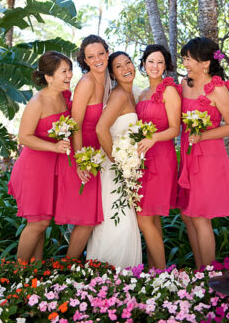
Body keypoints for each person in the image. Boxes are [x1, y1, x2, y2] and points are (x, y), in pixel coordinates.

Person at [177, 37, 229, 269]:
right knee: (187, 214)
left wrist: (203, 135)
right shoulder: (185, 84)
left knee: (200, 215)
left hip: (208, 156)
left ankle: (209, 274)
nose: (185, 63)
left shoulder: (218, 89)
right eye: (184, 58)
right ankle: (199, 270)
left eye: (189, 58)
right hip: (187, 152)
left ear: (205, 63)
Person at [9, 51, 73, 263]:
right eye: (64, 71)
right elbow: (24, 137)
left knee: (43, 222)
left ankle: (33, 274)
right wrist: (54, 147)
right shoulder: (37, 102)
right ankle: (15, 274)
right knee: (38, 223)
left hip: (51, 170)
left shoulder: (64, 97)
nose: (69, 75)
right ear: (49, 77)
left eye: (70, 70)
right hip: (34, 169)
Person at [89, 51, 143, 269]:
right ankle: (110, 275)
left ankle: (120, 280)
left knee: (125, 221)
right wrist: (116, 161)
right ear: (112, 74)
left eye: (127, 63)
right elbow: (101, 129)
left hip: (126, 167)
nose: (125, 68)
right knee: (118, 222)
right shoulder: (120, 95)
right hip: (115, 167)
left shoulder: (134, 94)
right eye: (118, 67)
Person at [60, 35, 109, 259]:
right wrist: (81, 161)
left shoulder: (107, 79)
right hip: (83, 154)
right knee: (86, 219)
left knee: (90, 217)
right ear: (85, 60)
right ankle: (68, 269)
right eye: (91, 56)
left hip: (97, 154)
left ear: (107, 53)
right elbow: (75, 126)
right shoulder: (87, 83)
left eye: (100, 53)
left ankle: (75, 268)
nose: (97, 59)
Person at [134, 45, 181, 270]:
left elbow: (175, 129)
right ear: (143, 64)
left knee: (143, 217)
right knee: (150, 217)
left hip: (161, 157)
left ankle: (161, 275)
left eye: (160, 62)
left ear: (166, 66)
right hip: (142, 159)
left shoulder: (169, 90)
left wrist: (153, 139)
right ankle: (154, 271)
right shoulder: (142, 94)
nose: (155, 66)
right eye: (151, 61)